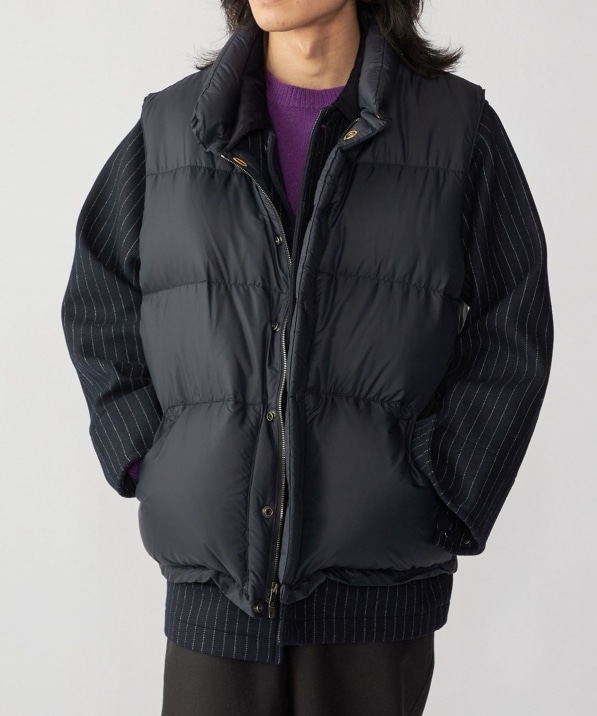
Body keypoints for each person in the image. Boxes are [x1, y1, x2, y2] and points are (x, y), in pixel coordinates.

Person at [60, 0, 554, 713]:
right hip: (214, 591)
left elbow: (515, 319)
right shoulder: (172, 128)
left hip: (375, 590)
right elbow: (97, 297)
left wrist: (448, 481)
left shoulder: (455, 129)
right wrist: (151, 458)